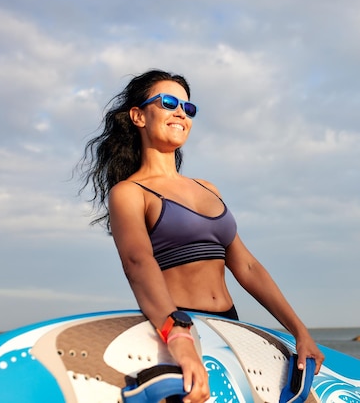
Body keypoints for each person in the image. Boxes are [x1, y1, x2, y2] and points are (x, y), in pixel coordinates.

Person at [79, 69, 324, 403]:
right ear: (138, 115)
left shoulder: (208, 188)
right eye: (168, 102)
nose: (181, 112)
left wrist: (298, 330)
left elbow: (247, 267)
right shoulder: (130, 192)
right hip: (179, 322)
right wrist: (178, 335)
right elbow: (137, 262)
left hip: (229, 327)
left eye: (188, 107)